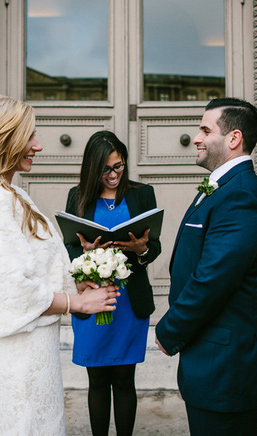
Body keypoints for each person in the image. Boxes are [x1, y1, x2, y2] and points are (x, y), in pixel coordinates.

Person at [0, 92, 119, 435]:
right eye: (30, 136)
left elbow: (34, 268)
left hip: (36, 351)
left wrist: (76, 284)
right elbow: (9, 289)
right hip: (18, 356)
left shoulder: (12, 193)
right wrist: (75, 303)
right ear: (4, 141)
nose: (38, 146)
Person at [155, 98, 257, 436]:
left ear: (233, 138)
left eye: (205, 130)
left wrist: (170, 331)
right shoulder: (222, 188)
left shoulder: (242, 196)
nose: (196, 137)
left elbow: (213, 279)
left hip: (227, 364)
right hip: (212, 357)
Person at [64, 131, 161, 436]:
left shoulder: (142, 194)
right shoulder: (77, 196)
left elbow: (154, 244)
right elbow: (67, 248)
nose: (113, 175)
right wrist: (85, 255)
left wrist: (141, 250)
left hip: (129, 303)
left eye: (118, 166)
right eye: (106, 169)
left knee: (123, 378)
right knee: (97, 380)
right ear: (93, 169)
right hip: (91, 302)